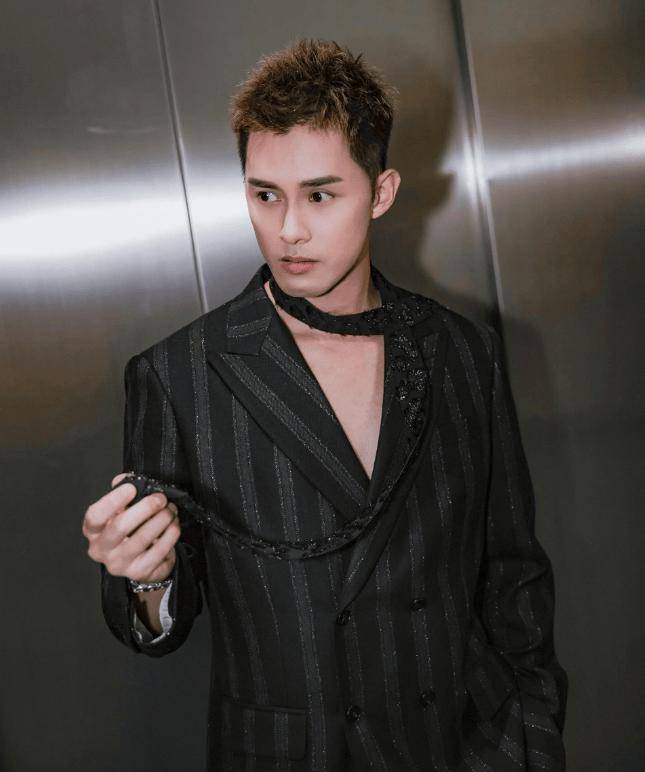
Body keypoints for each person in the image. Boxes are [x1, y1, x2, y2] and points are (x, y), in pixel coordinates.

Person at [82, 37, 568, 771]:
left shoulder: (462, 351)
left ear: (381, 192)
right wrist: (144, 574)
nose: (289, 230)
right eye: (265, 195)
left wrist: (530, 740)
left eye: (319, 195)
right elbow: (157, 627)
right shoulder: (178, 374)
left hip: (463, 746)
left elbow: (514, 575)